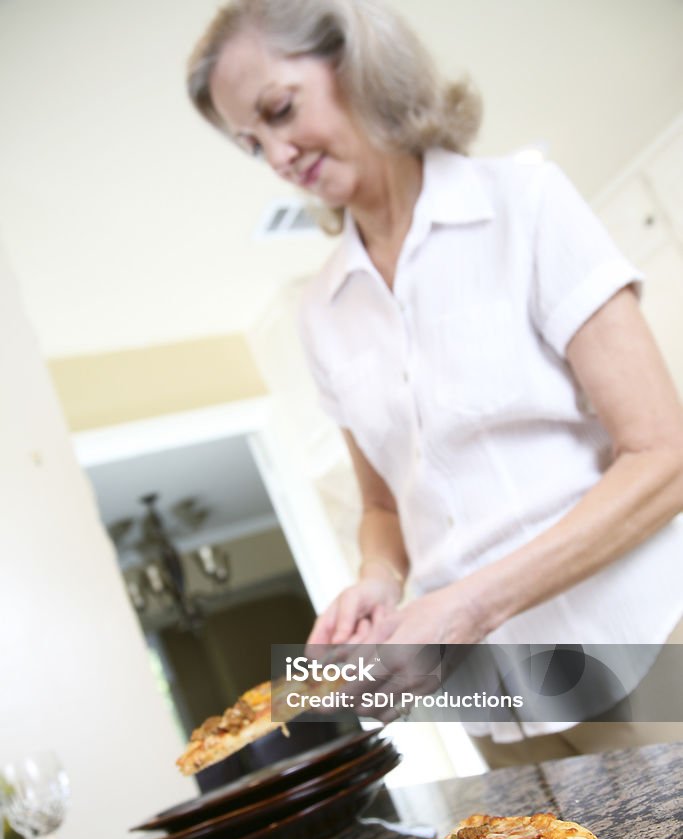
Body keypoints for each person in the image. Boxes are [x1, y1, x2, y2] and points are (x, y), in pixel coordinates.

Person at [187, 0, 683, 766]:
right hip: (494, 699)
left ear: (356, 65)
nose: (278, 155)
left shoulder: (522, 202)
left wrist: (470, 603)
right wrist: (377, 582)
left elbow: (663, 457)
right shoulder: (321, 311)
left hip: (642, 644)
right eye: (253, 144)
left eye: (280, 111)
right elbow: (385, 503)